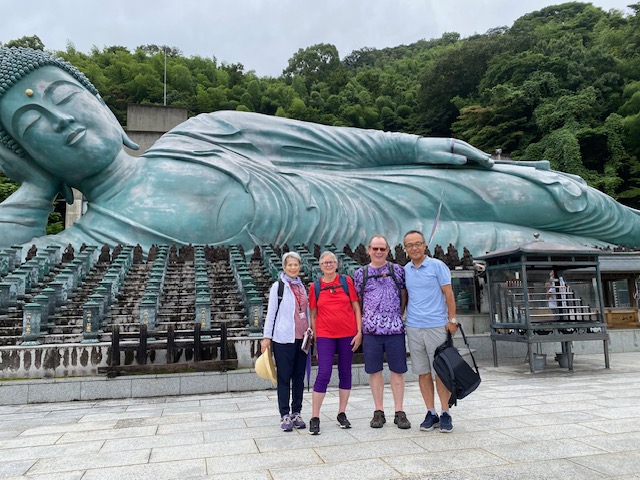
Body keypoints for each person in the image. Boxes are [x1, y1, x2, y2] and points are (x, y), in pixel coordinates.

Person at [2, 48, 640, 259]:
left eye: (62, 96)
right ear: (28, 153)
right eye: (33, 125)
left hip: (382, 191)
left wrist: (419, 144)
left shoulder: (204, 130)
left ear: (98, 98)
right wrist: (32, 190)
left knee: (561, 195)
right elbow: (11, 273)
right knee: (530, 247)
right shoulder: (99, 234)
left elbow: (335, 141)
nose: (60, 121)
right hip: (376, 255)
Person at [403, 230, 458, 433]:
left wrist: (452, 320)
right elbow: (406, 296)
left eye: (418, 244)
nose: (414, 248)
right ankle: (430, 411)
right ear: (405, 249)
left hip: (436, 325)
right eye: (410, 245)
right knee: (423, 371)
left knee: (441, 372)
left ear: (424, 245)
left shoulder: (437, 266)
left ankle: (445, 412)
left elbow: (449, 293)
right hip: (414, 327)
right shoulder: (405, 270)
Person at [353, 234, 410, 429]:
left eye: (382, 249)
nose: (378, 252)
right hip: (371, 331)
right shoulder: (361, 273)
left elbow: (404, 295)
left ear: (388, 250)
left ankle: (399, 411)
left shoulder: (398, 271)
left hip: (394, 330)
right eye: (375, 248)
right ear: (369, 250)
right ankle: (378, 411)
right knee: (374, 372)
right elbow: (358, 302)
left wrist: (397, 316)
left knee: (398, 371)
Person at [308, 251, 362, 435]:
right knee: (323, 373)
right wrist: (316, 338)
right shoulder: (315, 287)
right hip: (325, 335)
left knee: (345, 372)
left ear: (336, 264)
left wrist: (359, 332)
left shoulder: (346, 281)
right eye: (325, 263)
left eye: (331, 262)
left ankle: (341, 413)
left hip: (347, 334)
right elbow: (313, 315)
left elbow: (356, 307)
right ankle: (315, 417)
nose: (328, 265)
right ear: (320, 266)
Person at [261, 251, 311, 432]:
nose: (292, 268)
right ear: (284, 267)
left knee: (299, 377)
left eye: (295, 265)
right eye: (289, 265)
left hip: (302, 339)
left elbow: (305, 311)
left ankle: (296, 412)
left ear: (300, 266)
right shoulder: (278, 287)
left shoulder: (302, 286)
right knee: (284, 377)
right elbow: (271, 312)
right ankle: (284, 414)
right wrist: (267, 337)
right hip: (283, 339)